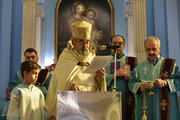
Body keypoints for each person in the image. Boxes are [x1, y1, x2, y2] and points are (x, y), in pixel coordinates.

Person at [46, 20, 106, 117]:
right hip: (71, 101)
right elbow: (60, 79)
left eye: (87, 42)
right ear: (73, 42)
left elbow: (98, 83)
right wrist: (70, 84)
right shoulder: (66, 56)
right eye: (81, 41)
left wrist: (100, 78)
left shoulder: (92, 57)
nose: (85, 45)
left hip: (90, 101)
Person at [128, 36, 180, 120]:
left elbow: (178, 80)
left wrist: (165, 82)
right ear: (145, 50)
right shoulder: (139, 68)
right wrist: (139, 86)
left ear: (159, 49)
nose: (151, 52)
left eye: (154, 49)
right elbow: (131, 83)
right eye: (148, 49)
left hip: (165, 107)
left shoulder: (170, 65)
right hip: (147, 106)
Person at [105, 35, 137, 120]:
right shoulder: (105, 61)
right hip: (109, 99)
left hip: (128, 99)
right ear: (111, 44)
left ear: (124, 45)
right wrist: (113, 76)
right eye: (114, 43)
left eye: (120, 43)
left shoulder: (132, 61)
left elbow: (138, 80)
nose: (117, 46)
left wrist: (128, 76)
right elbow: (99, 80)